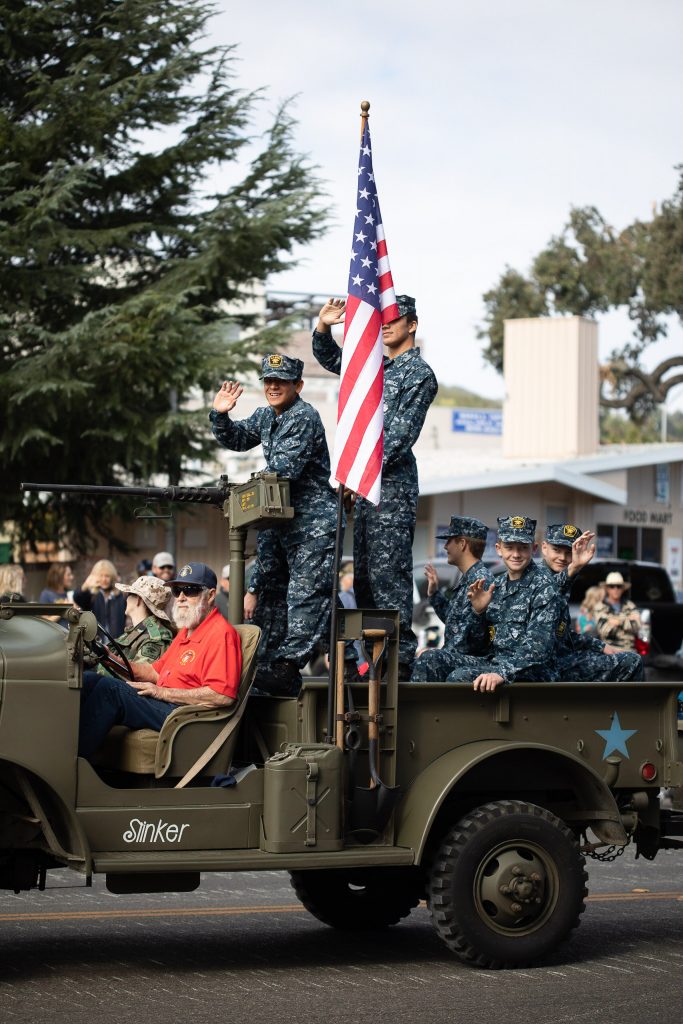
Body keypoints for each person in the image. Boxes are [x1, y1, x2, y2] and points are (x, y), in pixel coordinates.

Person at [313, 294, 438, 679]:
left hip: (391, 488)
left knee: (388, 577)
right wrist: (323, 327)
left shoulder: (419, 374)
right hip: (366, 489)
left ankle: (396, 664)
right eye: (380, 318)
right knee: (365, 578)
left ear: (412, 324)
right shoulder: (377, 367)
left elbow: (398, 438)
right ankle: (374, 660)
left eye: (393, 319)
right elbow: (335, 360)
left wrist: (354, 474)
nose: (384, 325)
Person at [210, 354, 337, 695]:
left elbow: (282, 471)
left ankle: (289, 664)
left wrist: (241, 493)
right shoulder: (267, 416)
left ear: (298, 385)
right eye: (268, 381)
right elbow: (236, 438)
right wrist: (221, 415)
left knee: (304, 595)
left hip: (312, 524)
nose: (273, 387)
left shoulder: (304, 417)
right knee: (269, 595)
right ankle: (269, 664)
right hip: (280, 522)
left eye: (281, 382)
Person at [78, 562, 242, 760]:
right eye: (177, 590)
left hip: (185, 715)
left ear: (211, 595)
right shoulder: (187, 631)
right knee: (88, 681)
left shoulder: (221, 634)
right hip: (168, 705)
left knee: (110, 690)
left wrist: (163, 692)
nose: (181, 597)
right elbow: (155, 672)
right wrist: (109, 657)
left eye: (190, 590)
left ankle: (72, 763)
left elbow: (221, 695)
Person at [449, 515, 561, 691]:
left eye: (523, 548)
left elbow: (539, 648)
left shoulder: (545, 586)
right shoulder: (496, 585)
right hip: (496, 662)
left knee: (458, 677)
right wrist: (479, 612)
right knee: (433, 660)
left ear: (534, 549)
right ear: (498, 549)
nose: (516, 554)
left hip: (531, 671)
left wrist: (502, 672)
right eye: (509, 547)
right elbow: (475, 646)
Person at [540, 525, 643, 681]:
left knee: (630, 659)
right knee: (631, 661)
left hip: (560, 658)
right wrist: (574, 568)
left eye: (568, 553)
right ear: (544, 548)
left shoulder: (628, 605)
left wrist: (601, 646)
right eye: (556, 550)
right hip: (544, 665)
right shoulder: (539, 577)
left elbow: (563, 635)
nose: (562, 557)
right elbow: (605, 628)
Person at [411, 516, 493, 681]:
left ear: (462, 544)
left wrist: (442, 654)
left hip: (477, 659)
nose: (446, 546)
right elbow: (454, 621)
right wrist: (434, 593)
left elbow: (474, 640)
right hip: (462, 656)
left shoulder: (481, 580)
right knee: (412, 662)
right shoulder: (469, 578)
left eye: (449, 541)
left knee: (430, 659)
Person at [92, 575, 174, 678]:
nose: (126, 599)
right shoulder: (136, 632)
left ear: (138, 599)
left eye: (129, 594)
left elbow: (139, 676)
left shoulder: (156, 637)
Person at [74, 559, 126, 637]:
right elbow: (77, 598)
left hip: (116, 642)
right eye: (101, 576)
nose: (104, 579)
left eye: (107, 576)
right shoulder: (91, 595)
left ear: (112, 576)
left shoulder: (119, 596)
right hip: (96, 642)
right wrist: (85, 586)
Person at [594, 572, 642, 652]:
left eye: (619, 586)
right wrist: (627, 619)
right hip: (609, 651)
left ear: (623, 589)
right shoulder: (600, 606)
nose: (615, 589)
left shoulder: (630, 605)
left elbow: (637, 626)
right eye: (612, 586)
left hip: (629, 650)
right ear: (607, 589)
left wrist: (617, 621)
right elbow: (604, 630)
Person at [39, 562, 75, 627]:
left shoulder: (69, 593)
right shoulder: (46, 595)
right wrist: (62, 610)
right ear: (59, 576)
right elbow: (44, 622)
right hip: (57, 636)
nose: (72, 577)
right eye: (68, 575)